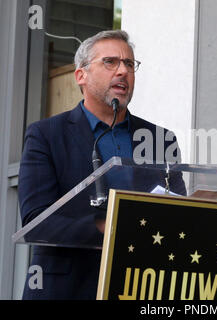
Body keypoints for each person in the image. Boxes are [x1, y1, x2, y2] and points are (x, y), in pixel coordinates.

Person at [18, 30, 186, 300]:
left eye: (129, 64)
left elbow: (177, 212)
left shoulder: (161, 140)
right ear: (81, 76)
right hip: (67, 289)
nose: (122, 71)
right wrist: (104, 227)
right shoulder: (46, 135)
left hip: (140, 288)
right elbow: (36, 222)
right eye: (110, 62)